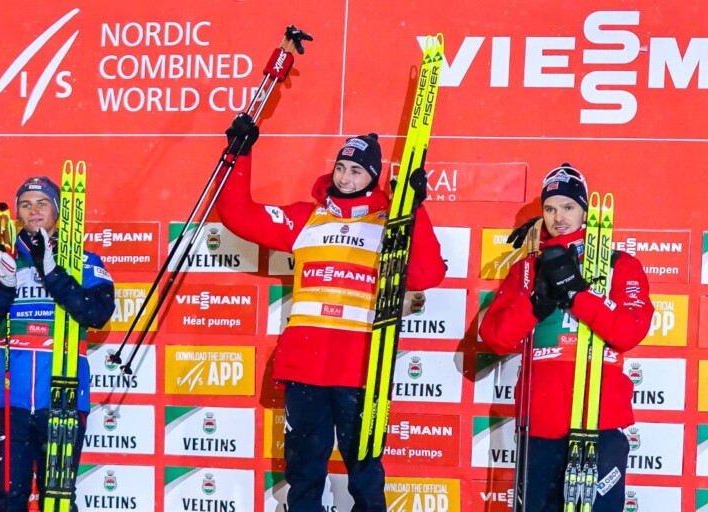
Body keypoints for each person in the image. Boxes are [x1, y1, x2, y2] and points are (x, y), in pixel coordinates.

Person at [216, 114, 446, 511]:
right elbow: (238, 215)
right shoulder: (307, 217)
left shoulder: (389, 223)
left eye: (356, 170)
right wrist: (239, 154)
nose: (345, 177)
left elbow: (427, 274)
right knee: (304, 471)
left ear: (372, 178)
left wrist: (415, 209)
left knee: (365, 471)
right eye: (341, 167)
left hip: (361, 367)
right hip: (306, 365)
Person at [479, 164, 654, 512]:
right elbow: (496, 338)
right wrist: (535, 305)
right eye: (550, 208)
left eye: (569, 207)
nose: (559, 217)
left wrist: (579, 294)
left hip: (599, 421)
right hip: (540, 423)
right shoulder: (527, 268)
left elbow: (629, 331)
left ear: (585, 210)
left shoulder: (620, 264)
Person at [0, 176, 116, 512]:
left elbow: (97, 312)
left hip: (62, 395)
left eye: (42, 203)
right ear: (17, 212)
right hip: (8, 398)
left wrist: (54, 272)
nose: (34, 211)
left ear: (57, 212)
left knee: (56, 500)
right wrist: (2, 286)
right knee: (6, 498)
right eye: (26, 204)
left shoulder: (86, 262)